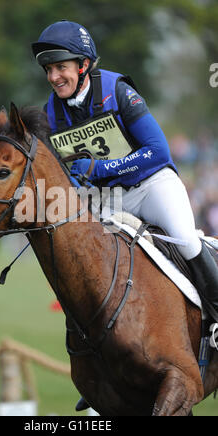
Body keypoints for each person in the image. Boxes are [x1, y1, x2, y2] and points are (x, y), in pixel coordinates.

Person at [32, 20, 218, 410]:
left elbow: (157, 151)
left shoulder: (118, 91)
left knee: (185, 239)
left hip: (151, 186)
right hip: (108, 200)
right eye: (48, 69)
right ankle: (102, 364)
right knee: (84, 259)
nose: (53, 76)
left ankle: (216, 321)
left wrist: (100, 171)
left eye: (60, 67)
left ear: (83, 65)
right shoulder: (53, 113)